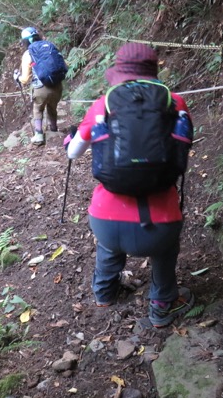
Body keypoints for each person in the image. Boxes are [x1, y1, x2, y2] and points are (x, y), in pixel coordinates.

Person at [64, 42, 194, 328]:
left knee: (108, 250)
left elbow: (73, 152)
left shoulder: (103, 104)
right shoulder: (175, 102)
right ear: (155, 71)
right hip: (161, 224)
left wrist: (71, 138)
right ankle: (161, 307)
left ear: (119, 72)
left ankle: (105, 294)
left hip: (106, 222)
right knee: (165, 252)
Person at [16, 27, 65, 146]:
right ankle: (53, 130)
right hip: (57, 86)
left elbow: (25, 79)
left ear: (25, 41)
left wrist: (17, 78)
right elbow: (64, 64)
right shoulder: (50, 46)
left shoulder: (28, 53)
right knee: (52, 108)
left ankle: (38, 135)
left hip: (41, 88)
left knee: (38, 109)